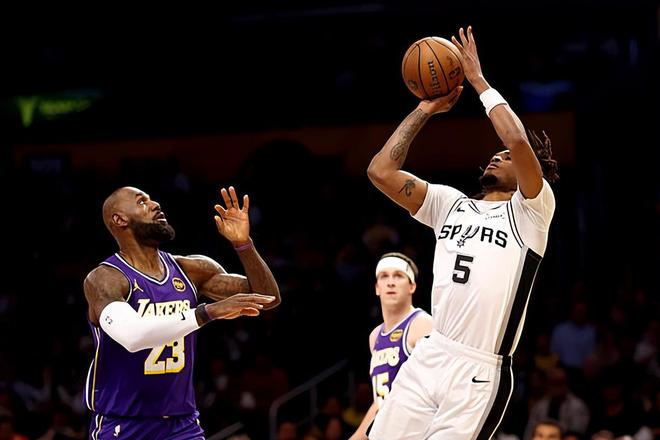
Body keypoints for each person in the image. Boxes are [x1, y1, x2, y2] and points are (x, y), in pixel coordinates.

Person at [366, 26, 558, 439]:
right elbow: (380, 171)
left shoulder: (532, 212)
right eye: (495, 154)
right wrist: (425, 109)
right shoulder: (449, 204)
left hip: (479, 369)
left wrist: (478, 81)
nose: (497, 155)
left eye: (506, 157)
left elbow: (516, 139)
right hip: (431, 353)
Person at [83, 185, 280, 439]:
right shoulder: (105, 279)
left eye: (152, 199)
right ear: (120, 219)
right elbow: (133, 336)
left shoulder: (191, 269)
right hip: (124, 424)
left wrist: (243, 245)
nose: (155, 204)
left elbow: (268, 297)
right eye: (142, 202)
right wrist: (207, 312)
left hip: (181, 424)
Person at [350, 253, 432, 440]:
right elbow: (381, 402)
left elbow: (440, 390)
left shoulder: (422, 324)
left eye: (398, 275)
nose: (391, 282)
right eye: (384, 276)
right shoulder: (374, 336)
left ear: (412, 286)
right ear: (377, 288)